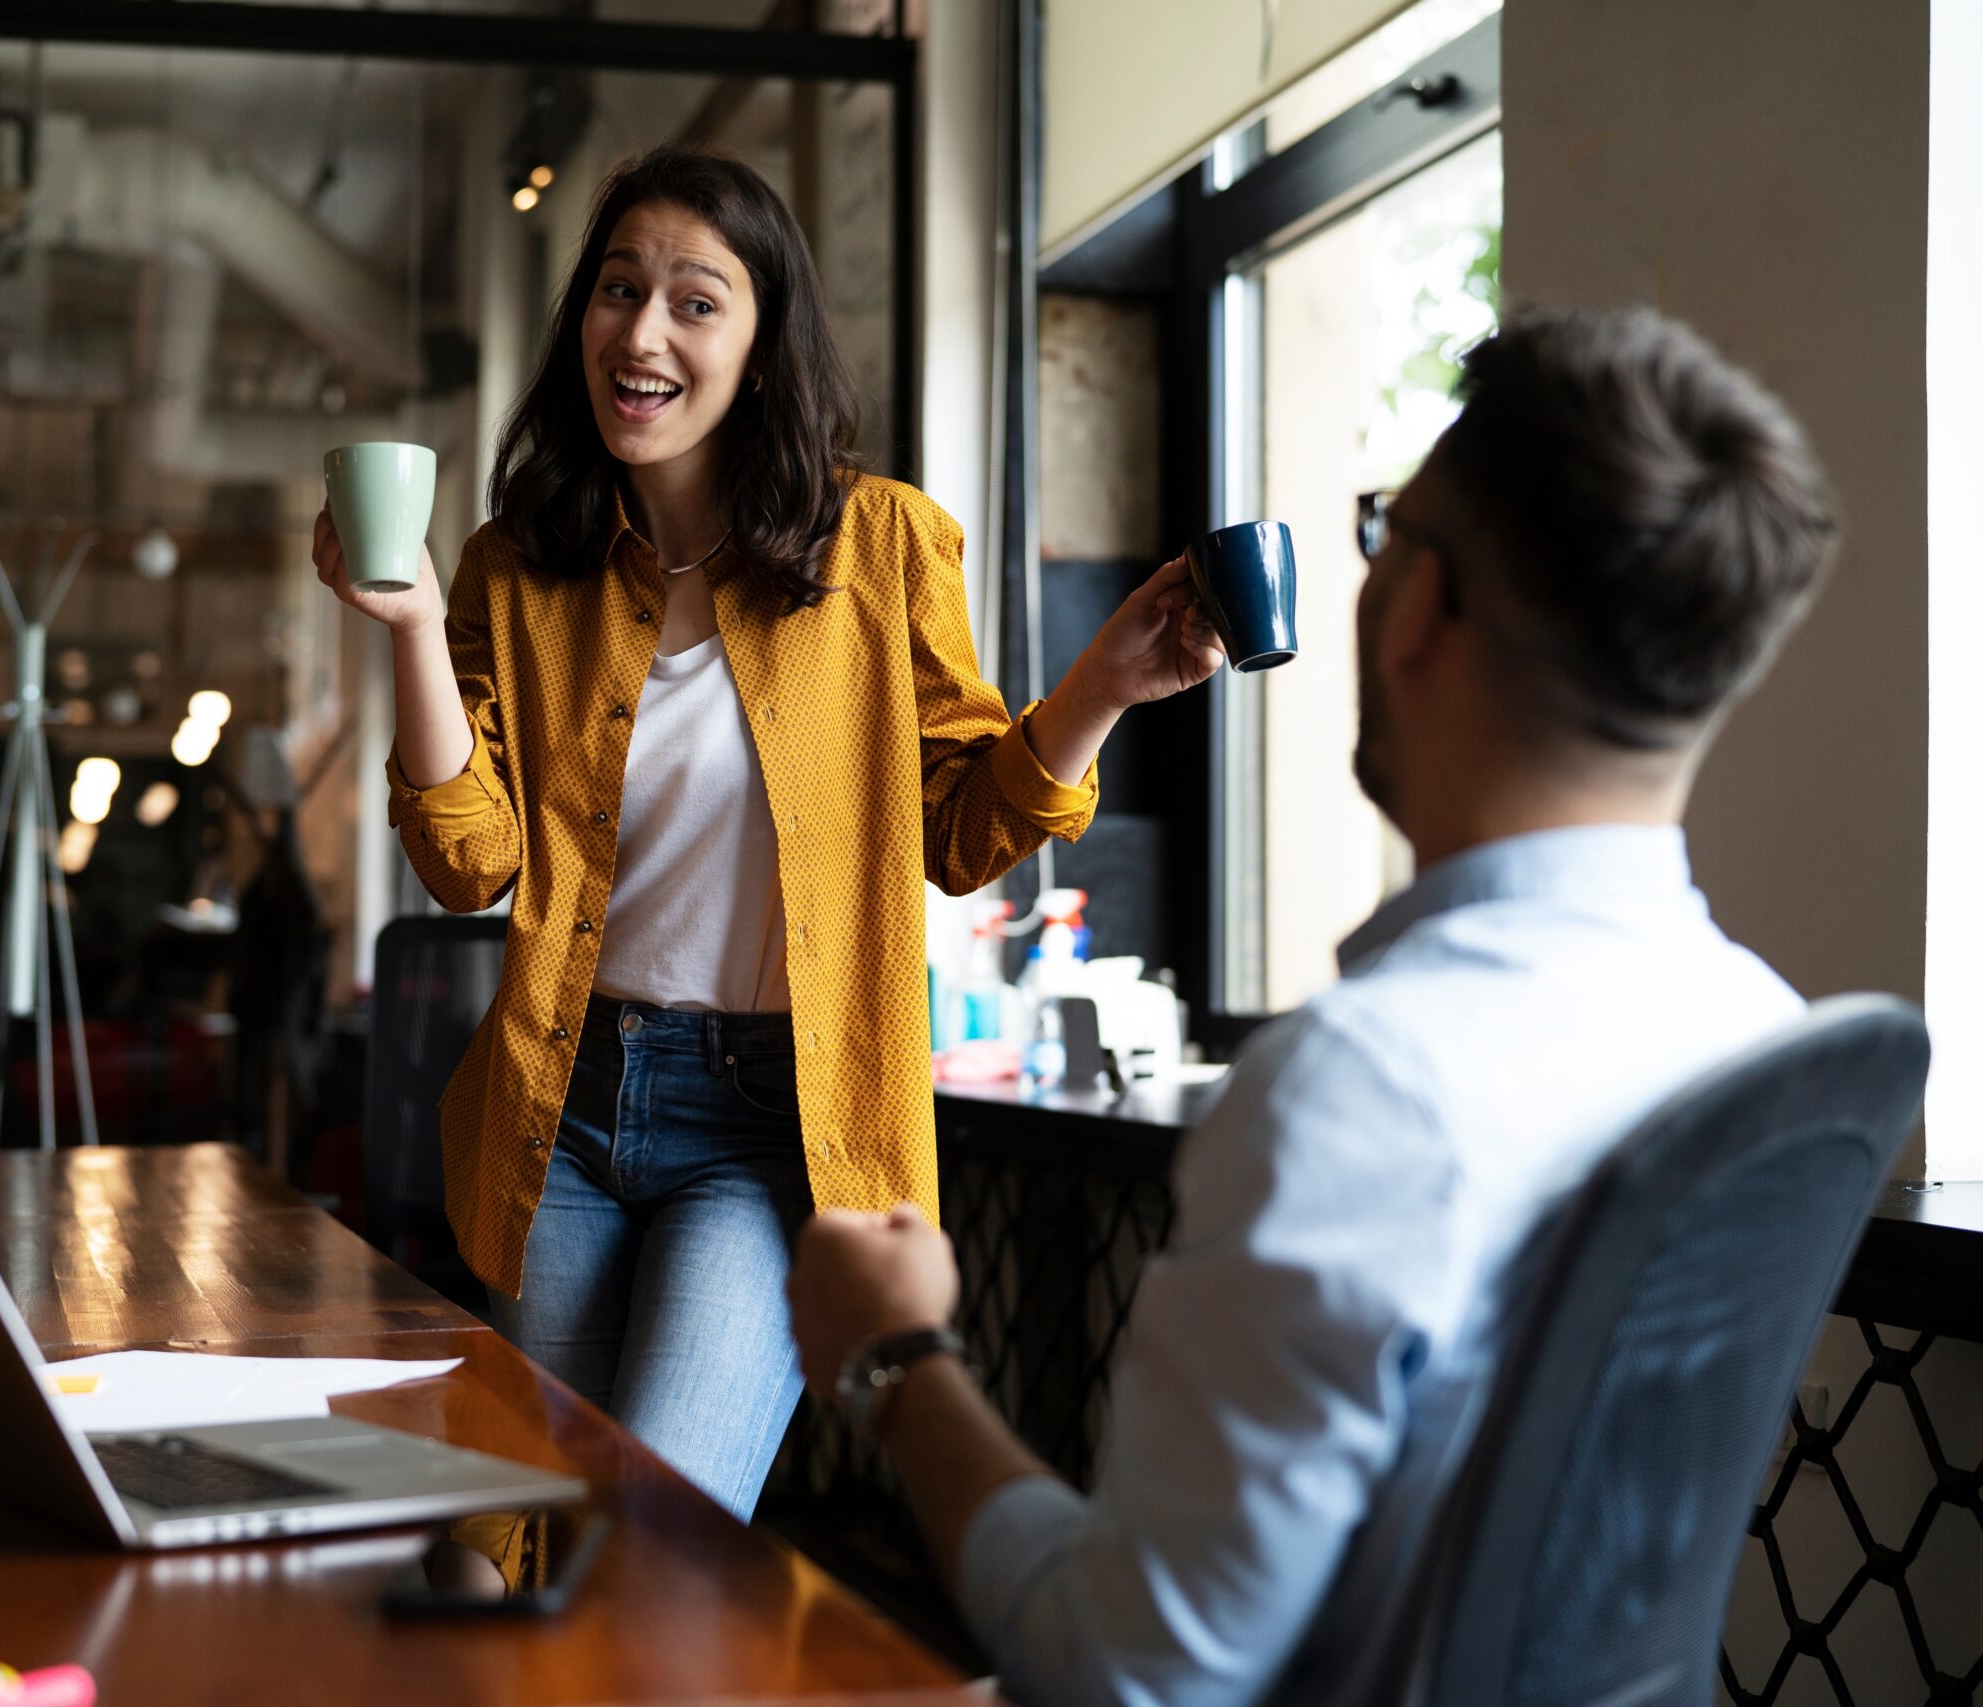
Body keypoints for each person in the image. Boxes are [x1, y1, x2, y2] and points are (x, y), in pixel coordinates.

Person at [786, 304, 1842, 1706]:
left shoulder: (1368, 1085)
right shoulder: (1761, 1032)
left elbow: (1129, 1677)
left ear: (1419, 606)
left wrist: (896, 1358)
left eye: (1383, 529)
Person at [315, 145, 1224, 1519]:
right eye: (619, 290)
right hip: (560, 1107)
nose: (642, 330)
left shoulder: (883, 547)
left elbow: (965, 834)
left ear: (763, 340)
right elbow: (470, 860)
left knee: (664, 1528)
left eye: (696, 299)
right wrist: (405, 628)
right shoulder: (518, 565)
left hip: (770, 1125)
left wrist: (1103, 688)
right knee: (535, 1526)